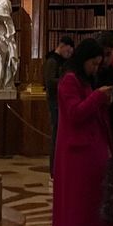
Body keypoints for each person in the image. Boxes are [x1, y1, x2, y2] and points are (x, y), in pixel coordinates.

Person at [51, 37, 113, 226]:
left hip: (90, 155)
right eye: (93, 64)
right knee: (78, 211)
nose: (95, 68)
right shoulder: (70, 80)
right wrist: (98, 97)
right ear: (83, 59)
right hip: (77, 157)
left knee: (91, 210)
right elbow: (74, 113)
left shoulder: (85, 80)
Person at [43, 34, 73, 176]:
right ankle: (54, 169)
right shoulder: (52, 61)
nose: (69, 54)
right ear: (61, 46)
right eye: (68, 51)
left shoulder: (60, 61)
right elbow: (50, 82)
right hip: (54, 101)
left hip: (60, 101)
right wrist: (65, 80)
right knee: (56, 134)